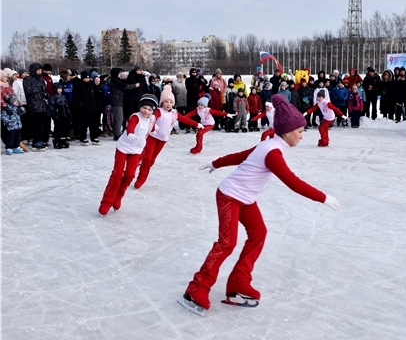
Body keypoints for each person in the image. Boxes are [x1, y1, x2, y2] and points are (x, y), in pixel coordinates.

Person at [181, 94, 340, 316]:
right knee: (227, 243)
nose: (302, 137)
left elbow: (242, 155)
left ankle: (238, 281)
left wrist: (216, 163)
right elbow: (292, 182)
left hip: (245, 199)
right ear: (287, 132)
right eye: (300, 132)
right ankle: (196, 287)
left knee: (258, 233)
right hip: (229, 196)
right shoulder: (272, 152)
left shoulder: (271, 145)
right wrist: (323, 197)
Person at [98, 94, 158, 216]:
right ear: (140, 107)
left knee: (130, 175)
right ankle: (107, 201)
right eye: (144, 108)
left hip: (136, 150)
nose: (146, 111)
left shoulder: (151, 119)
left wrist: (156, 129)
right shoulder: (135, 116)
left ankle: (118, 197)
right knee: (117, 174)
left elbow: (150, 128)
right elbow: (131, 125)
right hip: (123, 148)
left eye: (149, 109)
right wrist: (130, 133)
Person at [134, 86, 203, 189]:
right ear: (162, 102)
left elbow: (184, 119)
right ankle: (141, 178)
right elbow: (152, 118)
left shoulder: (174, 113)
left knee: (152, 159)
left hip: (163, 140)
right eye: (166, 102)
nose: (168, 104)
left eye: (170, 102)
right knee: (148, 158)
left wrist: (196, 124)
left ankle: (144, 168)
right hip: (153, 137)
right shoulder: (158, 111)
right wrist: (152, 126)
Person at [23, 63, 49, 151]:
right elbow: (28, 90)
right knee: (36, 125)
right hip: (33, 105)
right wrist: (39, 89)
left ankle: (41, 139)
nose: (39, 72)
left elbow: (44, 89)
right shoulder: (27, 79)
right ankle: (35, 141)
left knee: (42, 124)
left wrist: (45, 94)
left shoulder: (41, 80)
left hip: (42, 105)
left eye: (41, 71)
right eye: (38, 70)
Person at [109, 68, 140, 140]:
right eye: (119, 73)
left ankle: (117, 133)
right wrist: (135, 85)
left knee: (119, 118)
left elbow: (122, 83)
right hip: (117, 101)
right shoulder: (115, 81)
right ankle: (116, 134)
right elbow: (124, 86)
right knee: (119, 118)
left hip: (119, 101)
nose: (120, 74)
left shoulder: (116, 80)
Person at [73, 71, 101, 146]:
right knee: (83, 124)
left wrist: (97, 105)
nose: (87, 80)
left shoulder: (91, 85)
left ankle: (94, 137)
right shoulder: (78, 85)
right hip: (83, 108)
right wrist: (79, 106)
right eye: (85, 78)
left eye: (88, 78)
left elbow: (96, 96)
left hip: (92, 107)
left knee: (93, 123)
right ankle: (83, 138)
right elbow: (76, 97)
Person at [48, 83, 71, 149]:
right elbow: (51, 105)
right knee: (58, 128)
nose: (60, 90)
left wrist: (69, 113)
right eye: (58, 89)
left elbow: (66, 105)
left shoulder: (63, 96)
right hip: (57, 114)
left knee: (64, 127)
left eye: (61, 89)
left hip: (64, 114)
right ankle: (56, 141)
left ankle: (63, 140)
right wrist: (54, 113)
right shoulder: (53, 97)